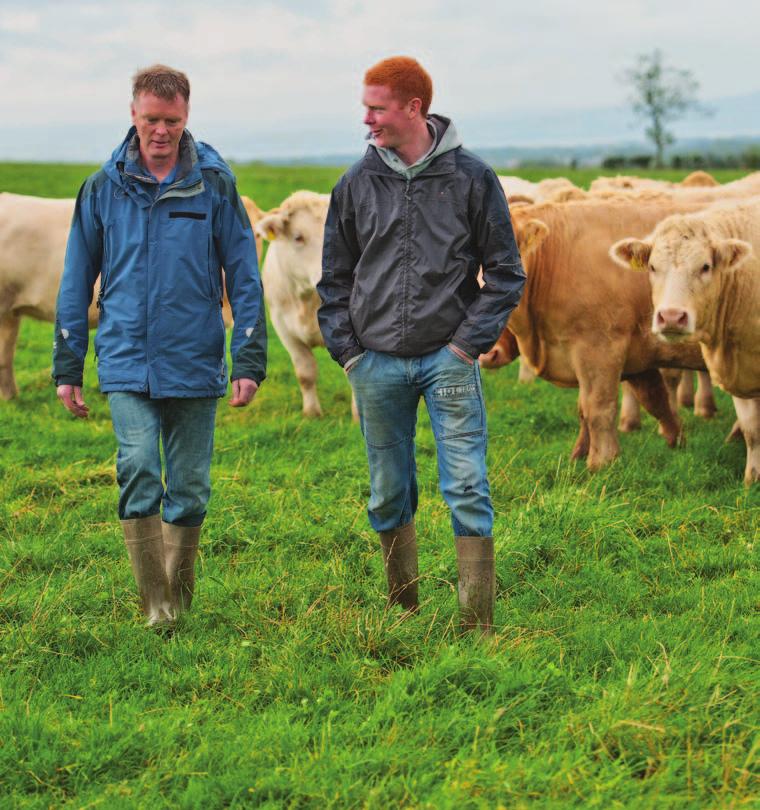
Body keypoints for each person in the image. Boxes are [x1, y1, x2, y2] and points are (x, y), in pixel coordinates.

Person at [317, 56, 525, 634]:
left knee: (466, 485)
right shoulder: (356, 184)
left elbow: (506, 273)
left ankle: (474, 622)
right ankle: (402, 609)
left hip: (447, 360)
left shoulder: (472, 179)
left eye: (377, 108)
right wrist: (350, 354)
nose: (367, 119)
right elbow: (333, 281)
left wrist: (465, 347)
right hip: (375, 362)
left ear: (414, 108)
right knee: (387, 491)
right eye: (366, 107)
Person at [53, 65, 266, 626]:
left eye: (171, 120)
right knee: (140, 466)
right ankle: (157, 607)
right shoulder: (102, 188)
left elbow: (244, 274)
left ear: (186, 116)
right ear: (133, 114)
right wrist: (67, 364)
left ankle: (178, 592)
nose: (161, 131)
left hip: (195, 358)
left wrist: (248, 356)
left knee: (191, 489)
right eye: (151, 119)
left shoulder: (214, 184)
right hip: (125, 357)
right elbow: (76, 278)